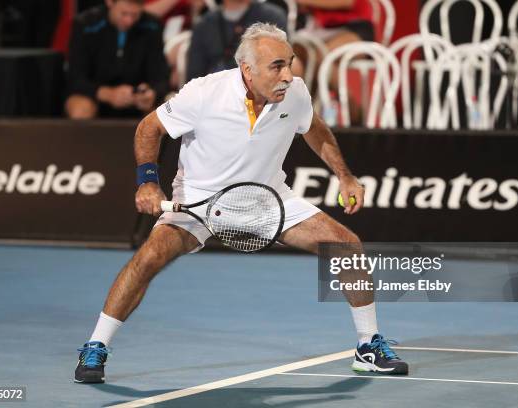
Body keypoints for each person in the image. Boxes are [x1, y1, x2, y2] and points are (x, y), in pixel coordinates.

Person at [74, 23, 408, 384]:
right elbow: (148, 128)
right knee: (148, 258)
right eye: (277, 66)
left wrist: (344, 175)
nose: (288, 75)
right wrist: (148, 183)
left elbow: (314, 128)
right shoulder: (203, 93)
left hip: (269, 200)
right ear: (248, 70)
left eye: (290, 63)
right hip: (199, 204)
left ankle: (368, 346)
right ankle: (96, 345)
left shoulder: (294, 93)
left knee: (347, 246)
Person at [65, 0, 170, 119]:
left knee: (163, 112)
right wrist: (107, 94)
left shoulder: (152, 25)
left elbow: (161, 76)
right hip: (94, 94)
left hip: (136, 99)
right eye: (124, 13)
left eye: (135, 15)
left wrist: (151, 93)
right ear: (110, 3)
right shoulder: (85, 24)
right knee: (80, 109)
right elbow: (75, 78)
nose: (129, 21)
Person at [186, 0, 303, 82]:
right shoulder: (204, 24)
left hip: (261, 90)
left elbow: (284, 62)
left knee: (292, 64)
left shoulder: (272, 16)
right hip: (216, 94)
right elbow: (194, 74)